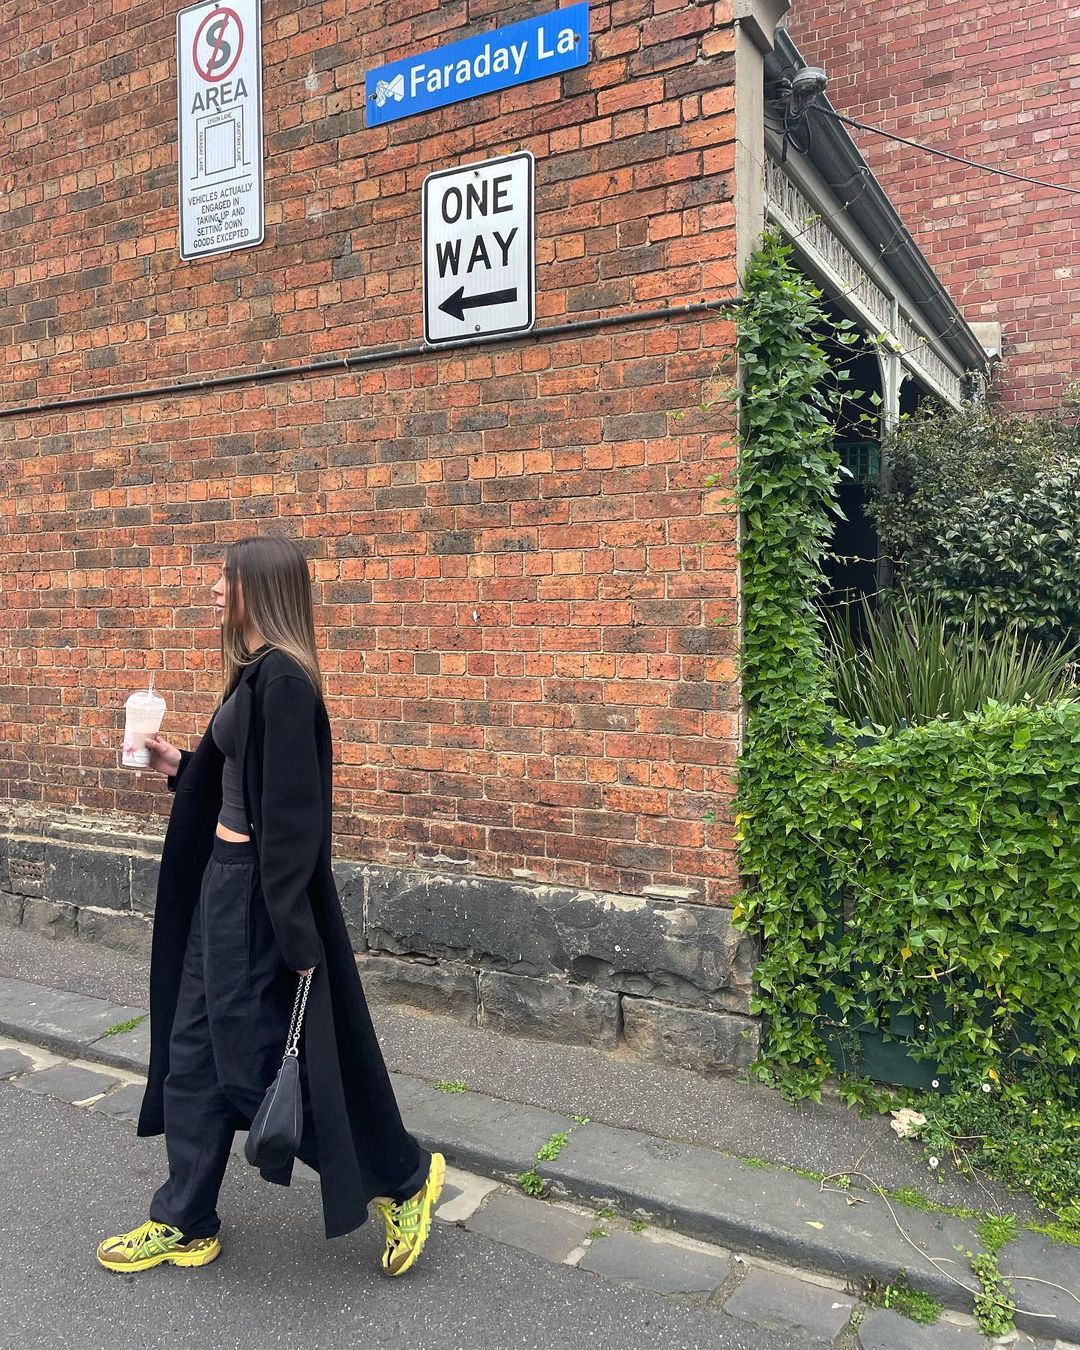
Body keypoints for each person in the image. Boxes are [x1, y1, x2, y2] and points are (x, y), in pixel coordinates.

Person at [97, 535, 443, 1277]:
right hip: (219, 884)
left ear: (257, 589)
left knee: (259, 1062)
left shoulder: (284, 680)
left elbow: (291, 819)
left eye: (224, 579)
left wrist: (295, 937)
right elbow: (240, 778)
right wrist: (179, 764)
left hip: (255, 896)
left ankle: (402, 1178)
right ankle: (185, 1219)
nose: (214, 590)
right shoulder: (254, 672)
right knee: (192, 1050)